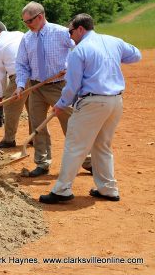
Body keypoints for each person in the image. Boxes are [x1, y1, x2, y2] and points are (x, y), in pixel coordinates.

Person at [39, 13, 142, 204]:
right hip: (115, 102)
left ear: (80, 29)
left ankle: (62, 190)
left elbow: (72, 86)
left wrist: (61, 104)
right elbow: (136, 55)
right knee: (102, 145)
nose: (70, 36)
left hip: (93, 103)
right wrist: (112, 57)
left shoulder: (79, 51)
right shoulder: (114, 41)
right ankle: (108, 189)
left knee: (75, 145)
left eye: (71, 31)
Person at [14, 1, 91, 177]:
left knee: (71, 125)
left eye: (29, 21)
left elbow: (81, 49)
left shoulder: (61, 33)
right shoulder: (27, 39)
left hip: (60, 87)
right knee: (37, 125)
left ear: (40, 17)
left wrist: (71, 66)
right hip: (36, 87)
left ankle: (88, 161)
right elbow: (21, 65)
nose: (27, 25)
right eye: (24, 22)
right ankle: (42, 162)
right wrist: (20, 86)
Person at [0, 21, 30, 148]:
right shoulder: (19, 34)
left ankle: (9, 139)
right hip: (34, 74)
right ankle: (35, 137)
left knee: (10, 107)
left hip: (18, 76)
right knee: (33, 108)